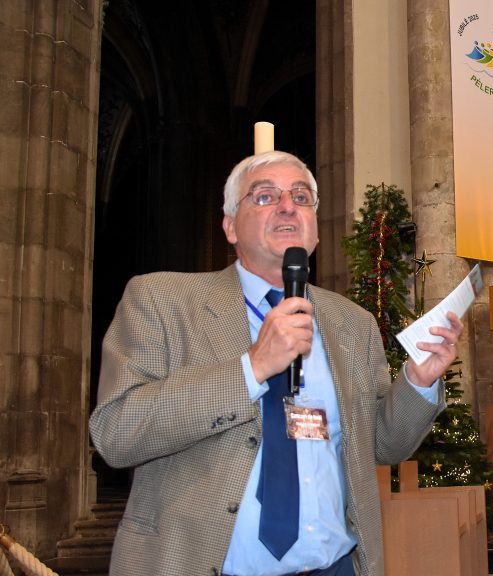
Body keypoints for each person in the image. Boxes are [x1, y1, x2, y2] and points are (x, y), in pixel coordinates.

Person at [89, 151, 462, 576]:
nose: (287, 206)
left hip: (333, 569)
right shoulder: (162, 301)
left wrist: (417, 381)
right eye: (265, 196)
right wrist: (251, 368)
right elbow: (116, 433)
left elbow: (382, 444)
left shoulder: (352, 323)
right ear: (230, 226)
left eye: (301, 197)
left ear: (315, 226)